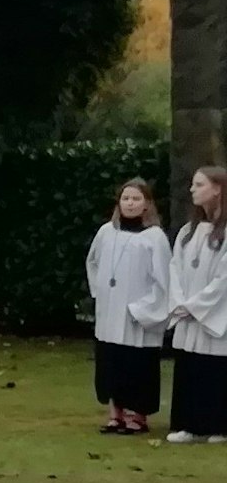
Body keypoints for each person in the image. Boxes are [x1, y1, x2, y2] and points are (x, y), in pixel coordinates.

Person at [86, 179, 170, 435]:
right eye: (126, 199)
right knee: (111, 362)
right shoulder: (106, 233)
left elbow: (164, 279)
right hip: (111, 311)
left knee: (137, 364)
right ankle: (116, 414)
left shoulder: (154, 238)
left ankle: (138, 417)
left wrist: (144, 309)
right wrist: (101, 292)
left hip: (137, 314)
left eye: (136, 199)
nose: (130, 204)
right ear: (118, 202)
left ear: (146, 204)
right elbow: (93, 263)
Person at [167, 166, 227, 444]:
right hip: (189, 314)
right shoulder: (187, 232)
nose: (192, 189)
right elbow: (174, 269)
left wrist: (197, 305)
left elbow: (223, 278)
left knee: (214, 369)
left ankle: (218, 426)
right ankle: (188, 424)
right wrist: (180, 302)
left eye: (199, 184)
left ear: (217, 189)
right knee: (189, 367)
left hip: (213, 314)